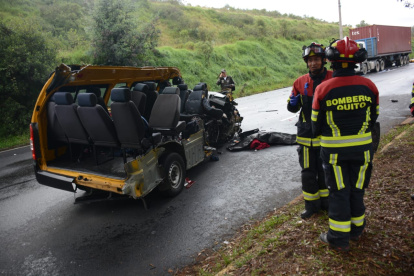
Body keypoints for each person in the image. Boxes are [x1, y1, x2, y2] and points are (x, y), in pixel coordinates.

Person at [312, 37, 379, 252]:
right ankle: (357, 231)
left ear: (331, 62)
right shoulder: (369, 86)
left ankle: (338, 239)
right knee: (357, 189)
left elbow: (315, 125)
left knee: (338, 191)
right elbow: (373, 118)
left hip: (334, 154)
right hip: (363, 151)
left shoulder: (323, 89)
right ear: (357, 62)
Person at [287, 42, 333, 219]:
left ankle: (326, 204)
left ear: (323, 60)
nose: (313, 63)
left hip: (326, 136)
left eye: (317, 60)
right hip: (306, 137)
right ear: (307, 62)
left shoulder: (332, 78)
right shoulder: (300, 82)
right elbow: (292, 108)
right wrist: (292, 103)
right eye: (310, 60)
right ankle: (311, 207)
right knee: (308, 173)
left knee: (324, 172)